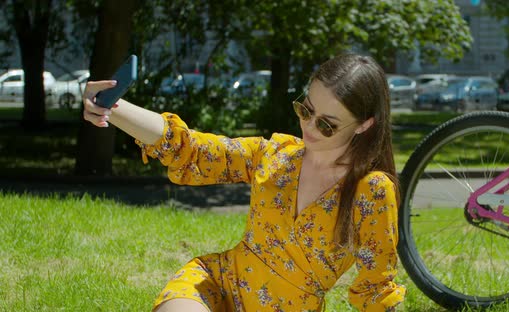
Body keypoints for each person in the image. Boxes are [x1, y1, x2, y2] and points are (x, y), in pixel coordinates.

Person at [83, 54, 406, 311]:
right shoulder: (276, 155)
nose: (308, 126)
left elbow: (375, 289)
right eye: (306, 110)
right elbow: (194, 151)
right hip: (219, 284)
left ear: (364, 125)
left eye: (326, 124)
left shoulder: (372, 191)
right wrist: (112, 106)